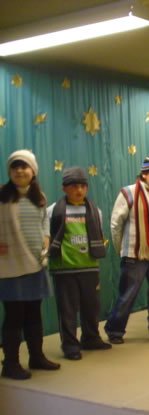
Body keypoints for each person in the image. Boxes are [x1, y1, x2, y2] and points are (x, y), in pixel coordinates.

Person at [0, 150, 60, 379]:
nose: (19, 171)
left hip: (36, 263)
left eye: (24, 166)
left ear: (33, 171)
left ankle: (36, 356)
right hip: (11, 265)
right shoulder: (2, 197)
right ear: (9, 172)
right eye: (15, 167)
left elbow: (44, 222)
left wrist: (46, 239)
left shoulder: (39, 197)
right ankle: (10, 364)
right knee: (14, 315)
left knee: (34, 313)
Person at [104, 153, 149, 344]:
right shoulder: (128, 193)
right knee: (128, 294)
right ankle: (114, 330)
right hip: (134, 253)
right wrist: (121, 248)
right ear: (144, 174)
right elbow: (115, 224)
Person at [47, 167, 111, 360]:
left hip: (89, 266)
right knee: (67, 310)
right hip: (64, 268)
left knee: (91, 306)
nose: (79, 190)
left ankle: (91, 338)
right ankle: (70, 345)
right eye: (74, 186)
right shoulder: (53, 211)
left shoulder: (95, 211)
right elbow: (48, 237)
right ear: (64, 188)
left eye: (83, 186)